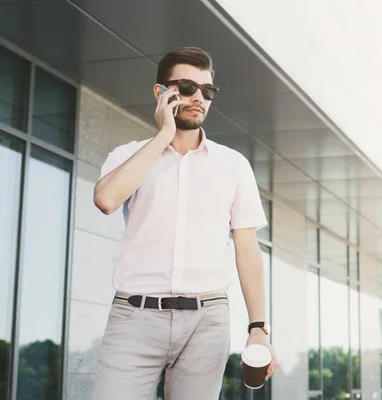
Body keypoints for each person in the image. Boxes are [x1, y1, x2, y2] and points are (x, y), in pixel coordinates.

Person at [91, 47, 277, 400]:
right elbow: (106, 200)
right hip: (134, 318)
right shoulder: (127, 155)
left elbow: (247, 251)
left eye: (208, 90)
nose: (199, 98)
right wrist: (163, 135)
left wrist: (258, 328)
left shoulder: (233, 165)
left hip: (206, 321)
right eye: (187, 87)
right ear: (161, 92)